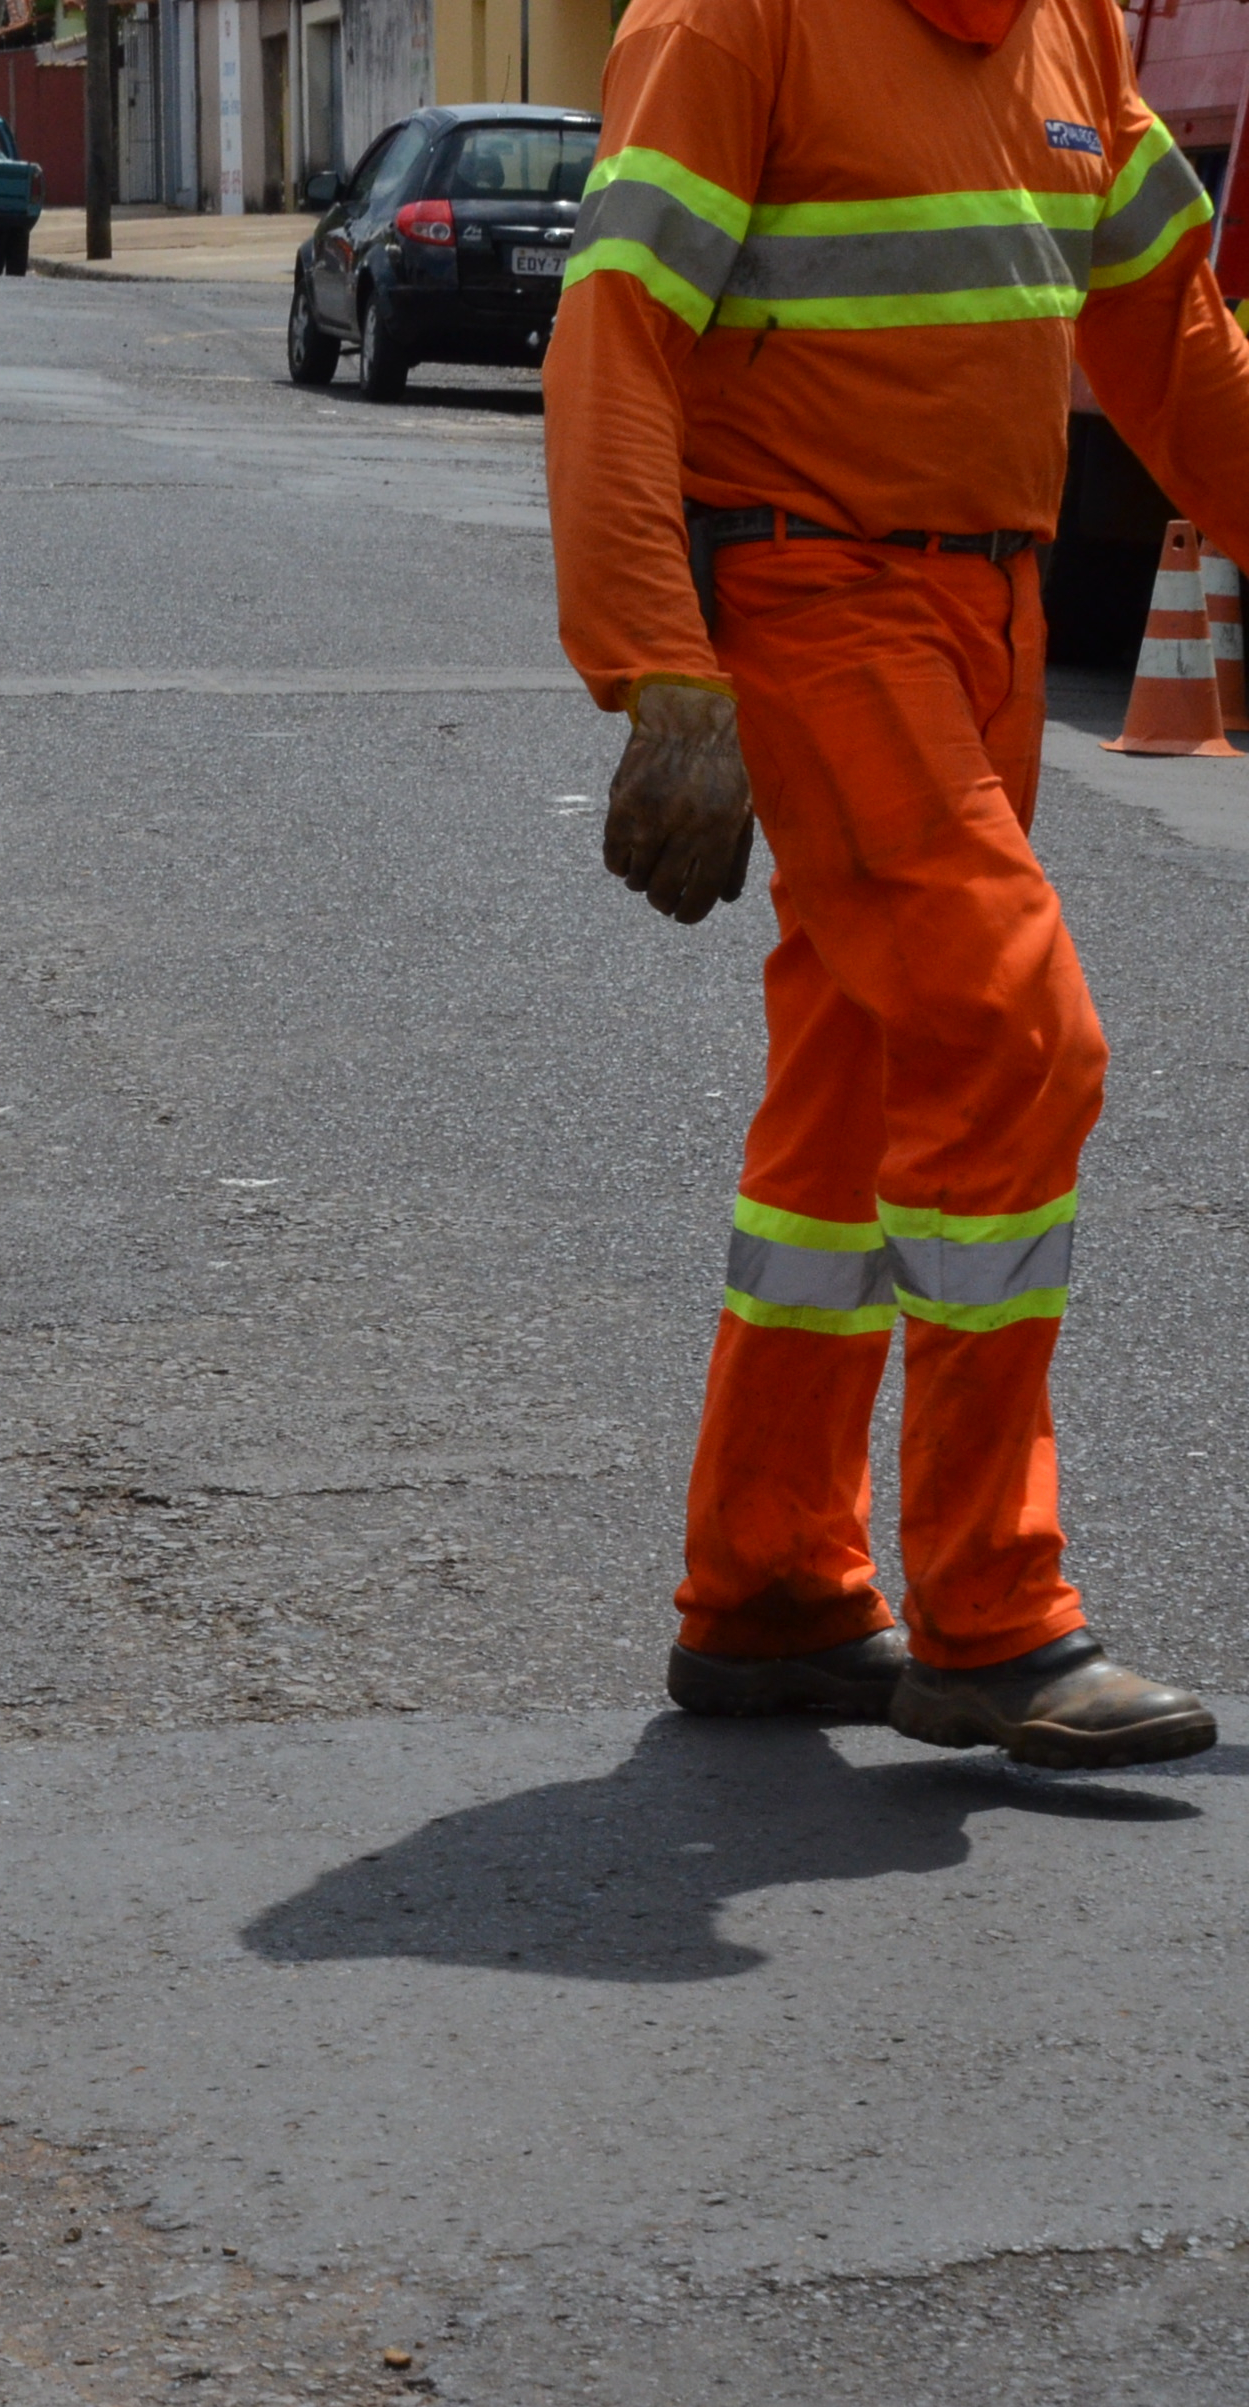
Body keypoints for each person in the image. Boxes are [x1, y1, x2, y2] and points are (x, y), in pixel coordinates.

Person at [553, 0, 1238, 1769]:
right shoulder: (734, 20)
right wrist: (662, 666)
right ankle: (992, 1616)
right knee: (1018, 1033)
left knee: (862, 1083)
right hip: (811, 591)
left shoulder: (1069, 27)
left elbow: (1171, 331)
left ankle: (773, 1587)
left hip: (987, 610)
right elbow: (617, 332)